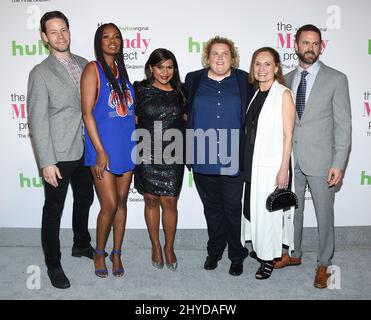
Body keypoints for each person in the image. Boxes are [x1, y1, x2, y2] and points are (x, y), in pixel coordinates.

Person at [274, 24, 351, 289]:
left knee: (324, 215)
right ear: (295, 46)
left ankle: (323, 263)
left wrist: (338, 163)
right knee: (291, 210)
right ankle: (294, 253)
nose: (310, 48)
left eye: (315, 43)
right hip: (292, 158)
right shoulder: (284, 78)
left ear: (321, 47)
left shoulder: (336, 79)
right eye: (305, 43)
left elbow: (343, 125)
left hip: (321, 160)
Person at [27, 11, 94, 289]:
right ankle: (53, 264)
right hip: (59, 153)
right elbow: (37, 119)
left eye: (63, 30)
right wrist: (46, 161)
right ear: (44, 37)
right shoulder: (40, 73)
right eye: (53, 32)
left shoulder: (85, 63)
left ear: (69, 31)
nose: (60, 36)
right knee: (53, 209)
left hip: (85, 149)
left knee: (85, 198)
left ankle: (81, 244)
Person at [185, 36, 255, 276]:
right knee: (212, 209)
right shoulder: (193, 79)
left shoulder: (245, 80)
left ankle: (237, 254)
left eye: (225, 53)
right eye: (215, 53)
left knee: (232, 210)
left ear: (232, 57)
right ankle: (214, 250)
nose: (220, 58)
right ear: (207, 57)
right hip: (202, 156)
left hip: (233, 157)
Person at [81, 23, 136, 278]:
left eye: (117, 37)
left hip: (126, 146)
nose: (112, 41)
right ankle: (99, 252)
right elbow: (87, 113)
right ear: (98, 41)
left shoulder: (122, 72)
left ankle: (117, 253)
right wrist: (100, 151)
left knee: (122, 202)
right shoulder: (92, 70)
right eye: (106, 37)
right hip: (102, 149)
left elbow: (129, 114)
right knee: (110, 204)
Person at [240, 47, 296, 280]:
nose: (262, 69)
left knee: (270, 214)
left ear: (276, 67)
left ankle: (269, 258)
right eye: (257, 64)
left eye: (267, 64)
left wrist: (283, 169)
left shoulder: (283, 94)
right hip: (253, 162)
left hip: (273, 166)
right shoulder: (256, 93)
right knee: (254, 210)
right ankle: (261, 249)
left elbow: (288, 135)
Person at [133, 48, 186, 271]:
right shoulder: (140, 90)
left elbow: (188, 120)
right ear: (151, 68)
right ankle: (155, 246)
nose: (165, 72)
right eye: (160, 67)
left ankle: (169, 247)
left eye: (169, 67)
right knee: (151, 201)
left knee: (170, 202)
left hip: (174, 154)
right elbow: (132, 119)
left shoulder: (182, 91)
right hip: (147, 153)